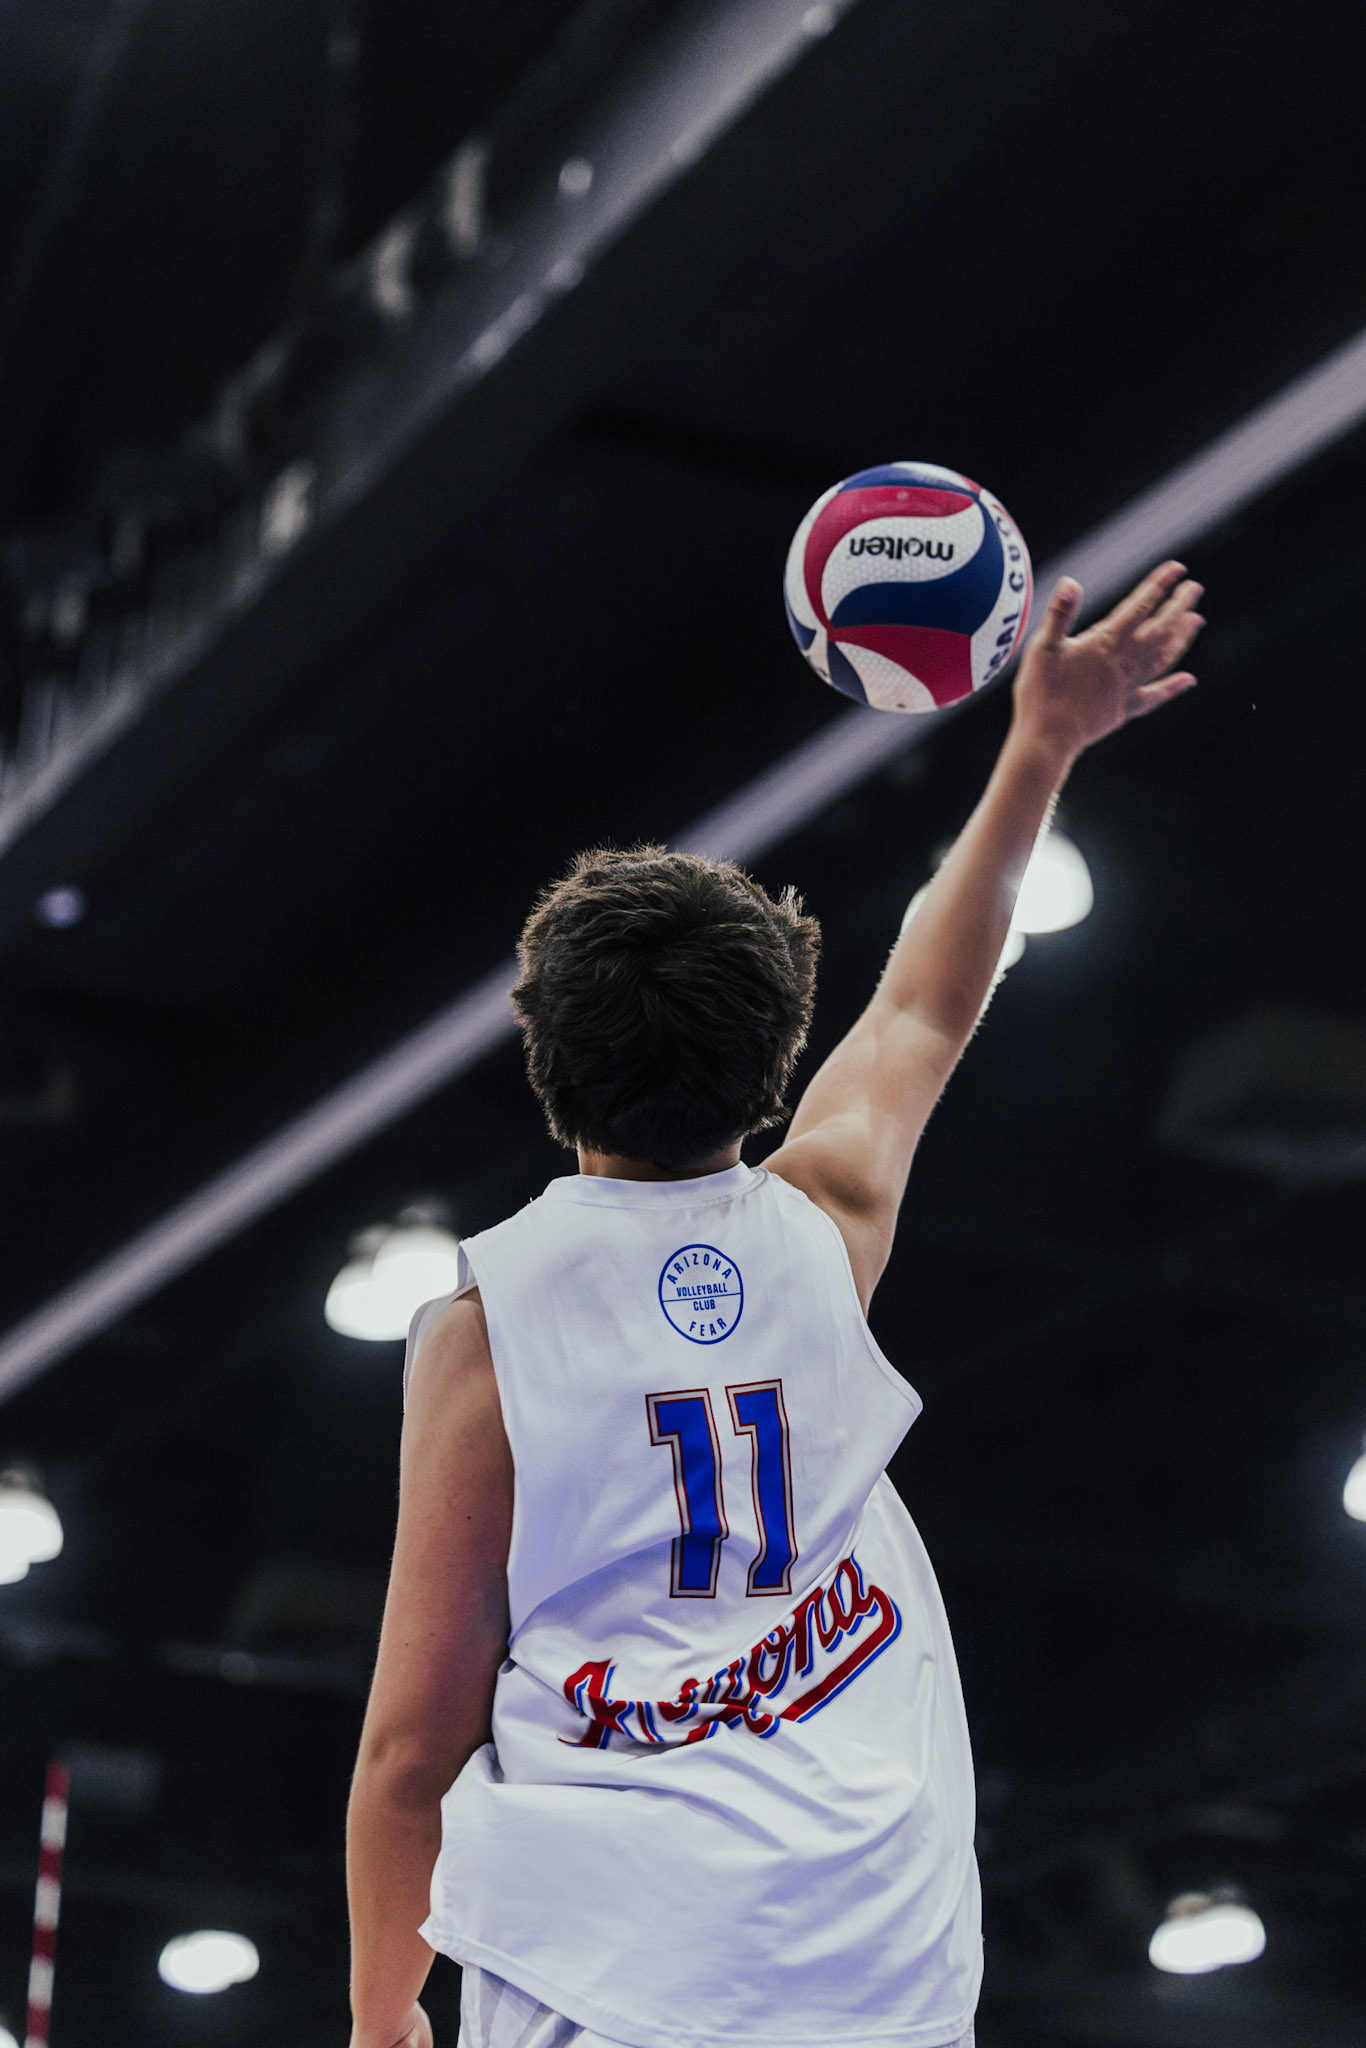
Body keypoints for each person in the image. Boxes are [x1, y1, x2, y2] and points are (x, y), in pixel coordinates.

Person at [346, 562, 1205, 2048]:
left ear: (544, 1056)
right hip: (865, 1949)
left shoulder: (490, 1334)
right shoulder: (825, 1227)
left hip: (615, 1963)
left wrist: (379, 2018)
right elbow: (927, 1000)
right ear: (773, 1061)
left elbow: (412, 1748)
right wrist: (1039, 747)